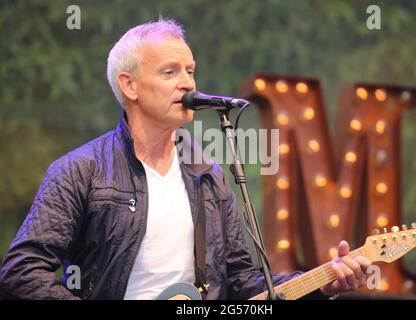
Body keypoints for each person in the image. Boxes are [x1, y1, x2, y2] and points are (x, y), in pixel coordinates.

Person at [0, 18, 371, 300]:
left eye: (190, 71)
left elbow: (243, 283)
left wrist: (325, 281)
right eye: (170, 72)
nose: (188, 84)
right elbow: (21, 270)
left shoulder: (207, 176)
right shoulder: (82, 170)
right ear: (129, 85)